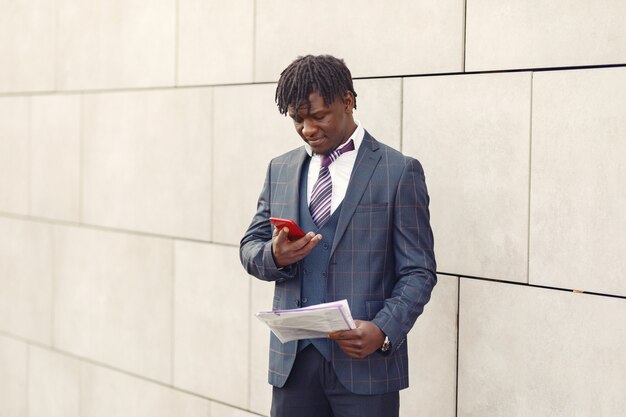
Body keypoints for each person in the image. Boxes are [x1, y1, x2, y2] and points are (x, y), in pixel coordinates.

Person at [240, 54, 436, 417]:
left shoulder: (398, 171)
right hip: (294, 366)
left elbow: (419, 272)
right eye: (298, 119)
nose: (307, 129)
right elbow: (250, 248)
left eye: (318, 116)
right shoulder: (280, 169)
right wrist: (275, 255)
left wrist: (382, 329)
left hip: (365, 368)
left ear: (348, 101)